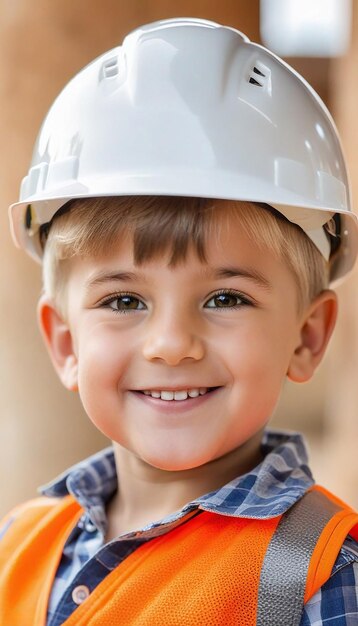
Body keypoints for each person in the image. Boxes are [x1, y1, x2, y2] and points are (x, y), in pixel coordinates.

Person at [1, 17, 357, 626]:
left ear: (307, 335)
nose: (171, 344)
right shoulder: (20, 545)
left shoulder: (318, 577)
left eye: (225, 299)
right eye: (124, 302)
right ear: (65, 343)